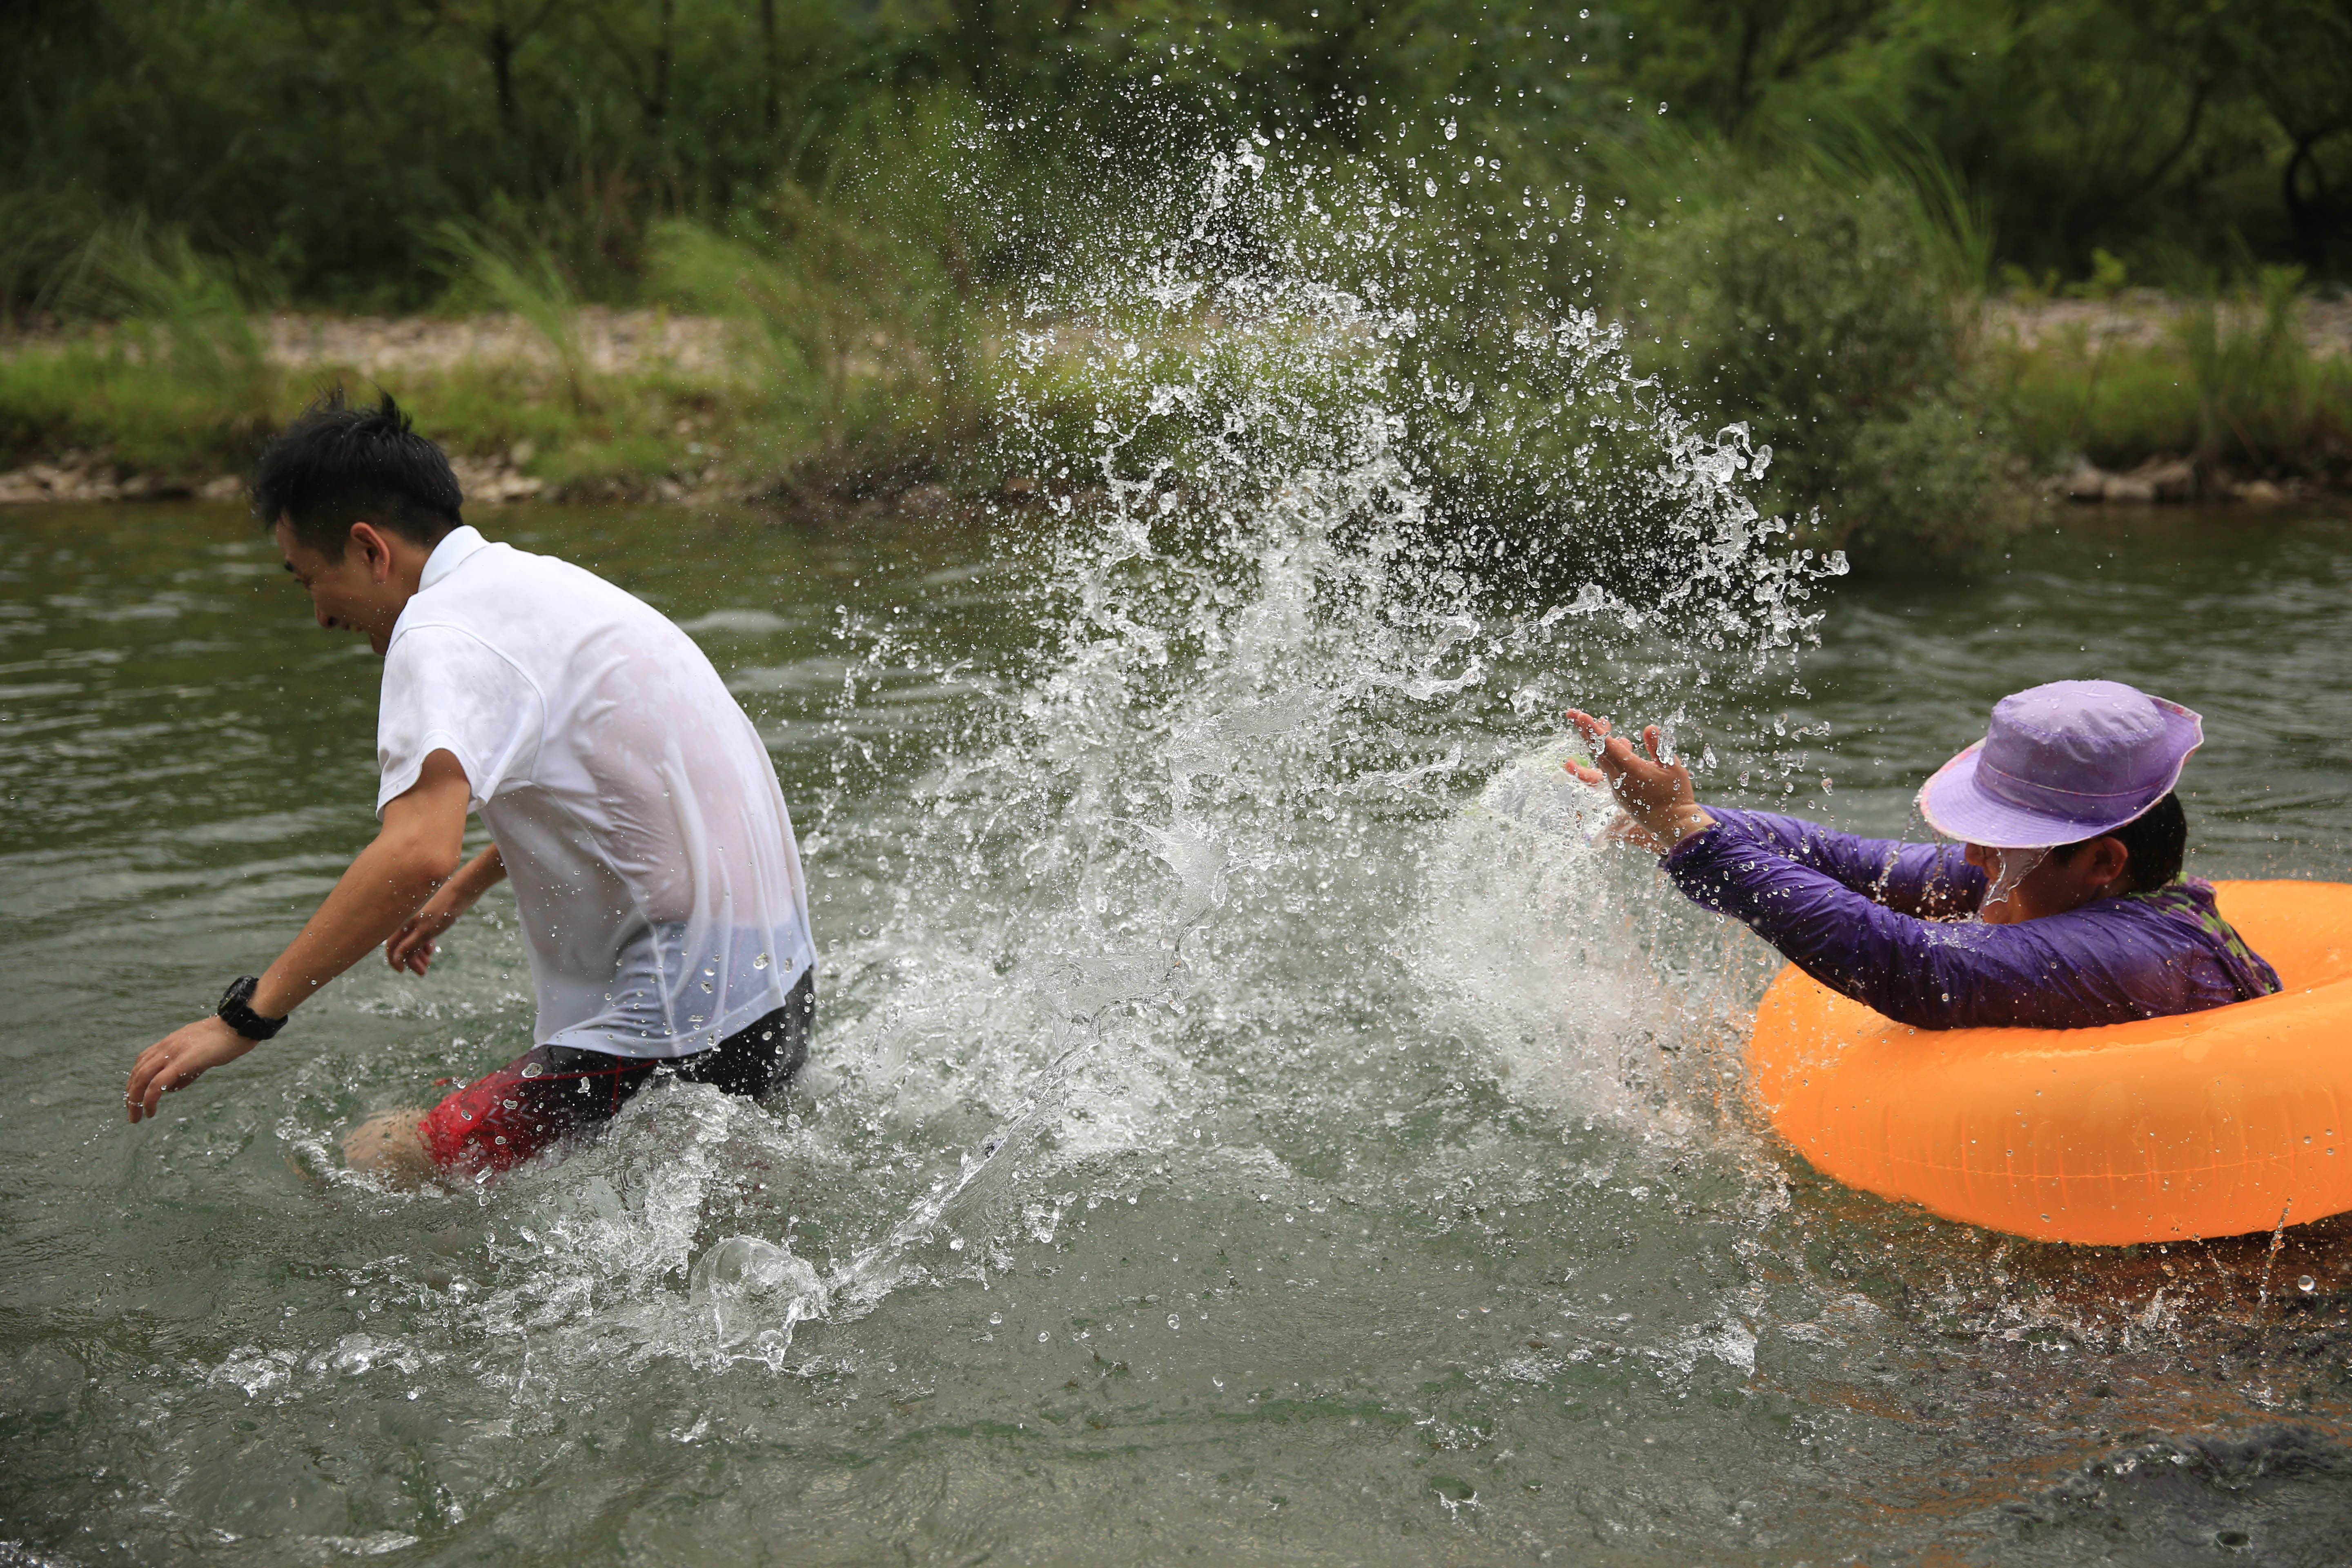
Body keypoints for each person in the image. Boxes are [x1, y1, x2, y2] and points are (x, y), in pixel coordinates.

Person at [123, 392, 817, 1177]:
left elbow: (414, 852)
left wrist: (246, 1018)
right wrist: (470, 883)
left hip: (677, 1022)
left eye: (308, 579)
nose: (319, 616)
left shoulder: (437, 632)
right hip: (777, 993)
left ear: (369, 549)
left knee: (378, 1161)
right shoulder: (545, 587)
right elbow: (627, 786)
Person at [1565, 679, 2280, 1030]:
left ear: (2103, 863)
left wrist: (1692, 834)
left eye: (2002, 843)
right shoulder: (2073, 884)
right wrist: (1692, 821)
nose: (1972, 856)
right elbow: (1849, 862)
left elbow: (1917, 967)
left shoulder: (2137, 957)